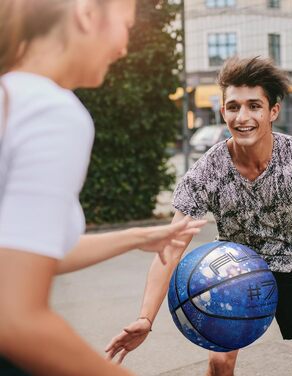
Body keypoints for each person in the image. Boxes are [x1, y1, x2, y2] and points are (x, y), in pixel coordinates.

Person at [106, 56, 292, 375]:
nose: (243, 117)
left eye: (254, 106)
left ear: (273, 111)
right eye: (233, 107)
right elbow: (172, 246)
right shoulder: (208, 171)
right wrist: (146, 317)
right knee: (220, 360)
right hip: (236, 268)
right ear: (223, 112)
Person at [0, 1, 207, 375]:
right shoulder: (50, 111)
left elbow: (21, 256)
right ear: (86, 13)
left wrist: (136, 236)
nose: (124, 47)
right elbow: (15, 319)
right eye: (126, 25)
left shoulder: (12, 95)